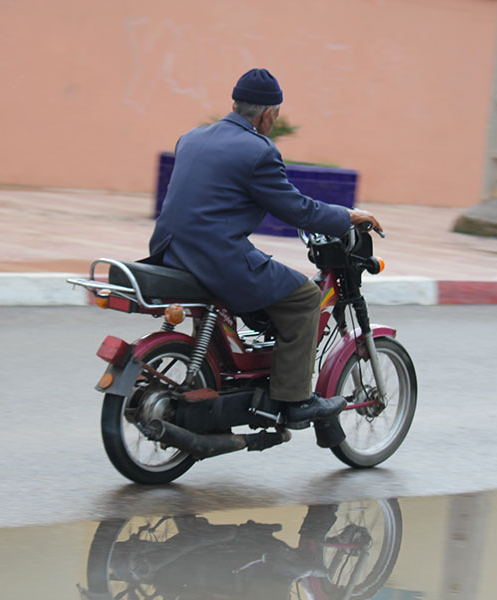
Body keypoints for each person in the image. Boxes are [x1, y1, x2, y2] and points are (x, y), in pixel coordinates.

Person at [149, 68, 382, 427]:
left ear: (235, 104)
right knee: (304, 297)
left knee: (262, 278)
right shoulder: (259, 151)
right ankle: (294, 400)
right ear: (269, 114)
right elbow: (296, 209)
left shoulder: (191, 138)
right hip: (214, 257)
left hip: (168, 250)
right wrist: (349, 216)